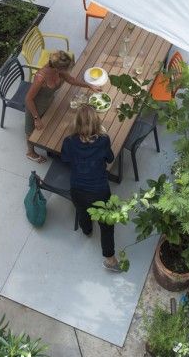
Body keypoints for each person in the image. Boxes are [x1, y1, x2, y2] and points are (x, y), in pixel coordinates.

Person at [61, 105, 121, 272]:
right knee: (106, 225)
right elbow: (110, 159)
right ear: (97, 123)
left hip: (77, 189)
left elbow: (65, 159)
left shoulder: (69, 142)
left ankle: (87, 230)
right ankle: (110, 259)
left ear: (77, 123)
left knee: (82, 211)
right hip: (99, 191)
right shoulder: (103, 141)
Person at [25, 50, 96, 164]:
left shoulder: (58, 70)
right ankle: (30, 152)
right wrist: (36, 118)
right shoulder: (40, 78)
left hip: (49, 101)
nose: (68, 71)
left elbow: (71, 80)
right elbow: (28, 99)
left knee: (49, 126)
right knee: (30, 131)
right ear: (57, 69)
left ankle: (48, 147)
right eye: (67, 69)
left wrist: (89, 86)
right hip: (35, 107)